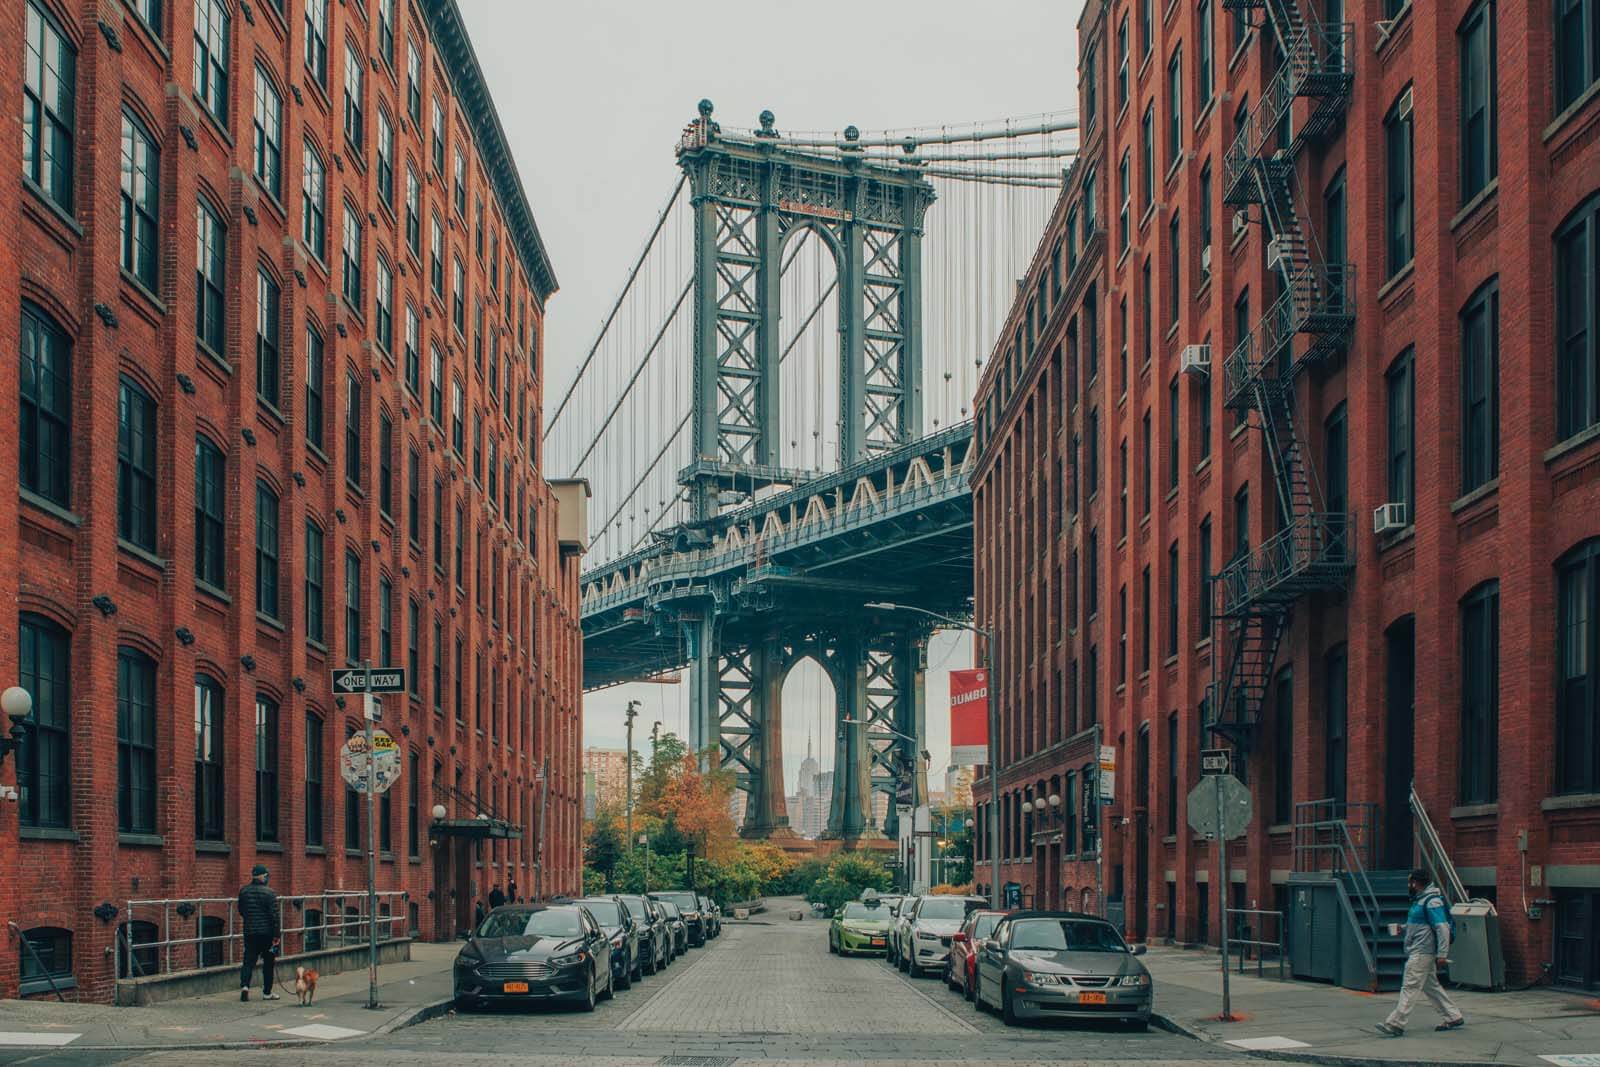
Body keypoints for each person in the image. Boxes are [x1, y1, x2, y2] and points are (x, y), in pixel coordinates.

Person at [1376, 869, 1464, 1036]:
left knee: (1409, 987)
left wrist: (1442, 954)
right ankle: (1453, 1016)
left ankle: (1395, 1023)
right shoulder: (1422, 900)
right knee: (1431, 987)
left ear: (1415, 883)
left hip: (1421, 953)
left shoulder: (1431, 902)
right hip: (1423, 951)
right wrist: (1404, 928)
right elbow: (1424, 925)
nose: (1409, 885)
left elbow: (1442, 928)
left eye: (1410, 882)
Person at [238, 864, 281, 1002]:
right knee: (268, 963)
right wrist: (276, 936)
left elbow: (241, 910)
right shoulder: (270, 893)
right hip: (267, 934)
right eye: (266, 875)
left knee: (248, 961)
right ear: (263, 876)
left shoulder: (244, 891)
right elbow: (274, 916)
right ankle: (267, 993)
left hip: (250, 932)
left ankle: (245, 986)